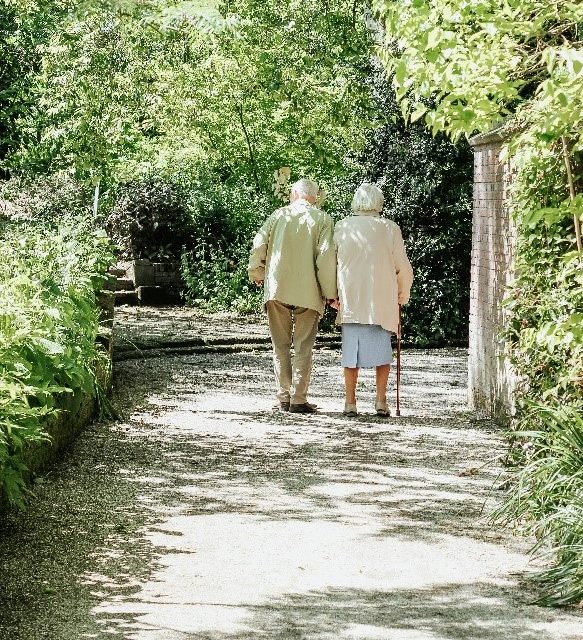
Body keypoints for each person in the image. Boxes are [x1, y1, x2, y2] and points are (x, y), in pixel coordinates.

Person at [248, 178, 337, 413]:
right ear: (315, 197)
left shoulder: (278, 215)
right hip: (309, 291)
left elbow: (259, 245)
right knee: (303, 346)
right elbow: (326, 258)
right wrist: (330, 293)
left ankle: (283, 397)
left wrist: (257, 272)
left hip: (278, 288)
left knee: (280, 345)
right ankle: (298, 399)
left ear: (293, 194)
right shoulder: (323, 219)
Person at [333, 182, 413, 417]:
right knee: (382, 353)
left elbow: (331, 263)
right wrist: (402, 294)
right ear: (379, 202)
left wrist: (332, 295)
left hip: (352, 298)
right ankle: (380, 400)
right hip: (382, 298)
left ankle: (350, 402)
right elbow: (403, 267)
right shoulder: (389, 229)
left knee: (350, 354)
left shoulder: (342, 227)